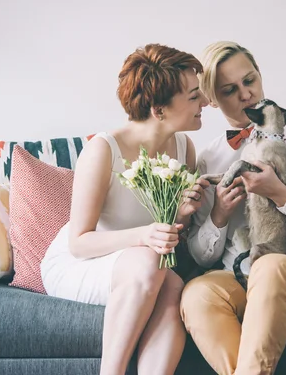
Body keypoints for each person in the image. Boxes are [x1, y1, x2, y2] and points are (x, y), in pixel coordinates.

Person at [180, 41, 286, 375]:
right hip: (239, 278)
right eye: (230, 90)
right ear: (212, 100)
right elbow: (202, 257)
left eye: (250, 80)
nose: (246, 94)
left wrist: (282, 195)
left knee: (270, 268)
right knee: (196, 294)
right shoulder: (210, 158)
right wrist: (219, 216)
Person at [40, 43, 210, 375]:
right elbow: (79, 242)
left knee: (173, 284)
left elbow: (169, 233)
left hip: (143, 264)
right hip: (80, 262)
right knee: (150, 261)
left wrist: (182, 216)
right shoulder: (103, 150)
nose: (205, 103)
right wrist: (145, 236)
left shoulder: (183, 146)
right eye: (193, 96)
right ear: (159, 109)